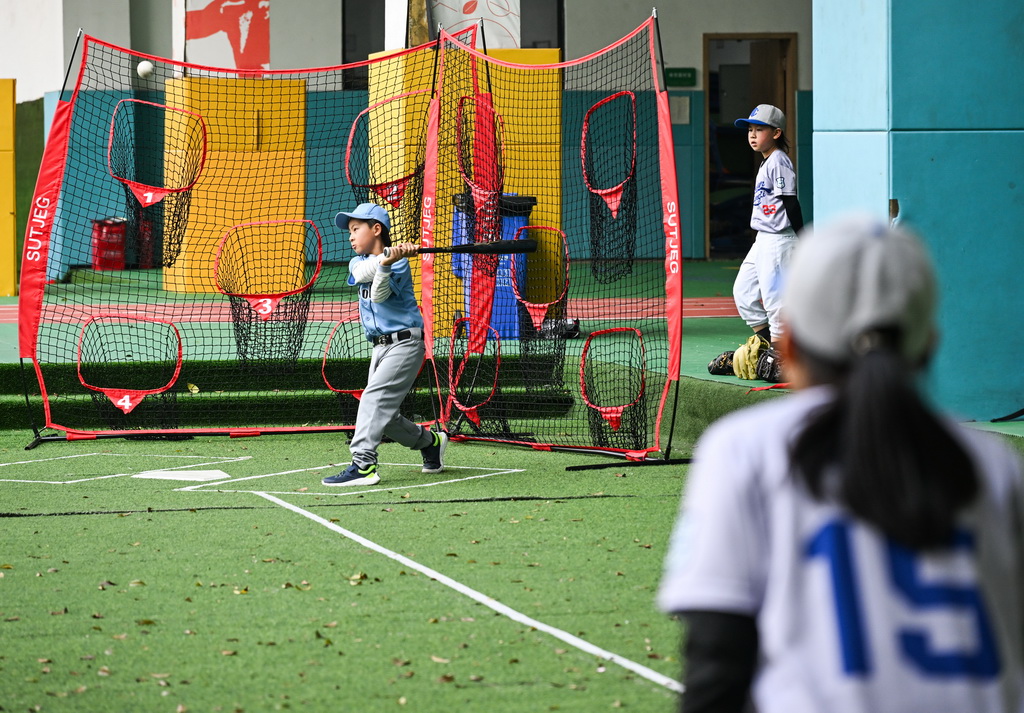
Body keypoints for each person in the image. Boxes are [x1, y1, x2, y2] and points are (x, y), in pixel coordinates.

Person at [659, 214, 1024, 712]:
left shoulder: (745, 449)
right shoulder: (994, 465)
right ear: (929, 346)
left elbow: (716, 665)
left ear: (787, 347)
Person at [322, 203, 447, 487]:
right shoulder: (358, 262)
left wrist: (391, 262)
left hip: (405, 343)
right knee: (386, 417)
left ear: (376, 229)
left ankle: (363, 464)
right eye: (350, 231)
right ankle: (430, 442)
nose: (351, 236)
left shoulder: (399, 262)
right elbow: (367, 272)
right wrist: (384, 260)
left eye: (356, 230)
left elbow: (379, 296)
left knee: (372, 399)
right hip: (379, 347)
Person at [709, 104, 804, 380]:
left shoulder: (779, 161)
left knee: (775, 300)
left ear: (776, 133)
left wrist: (804, 237)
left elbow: (790, 202)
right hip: (763, 239)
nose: (752, 134)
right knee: (743, 293)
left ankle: (781, 357)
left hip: (779, 239)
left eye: (759, 129)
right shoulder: (766, 160)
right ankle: (766, 346)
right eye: (750, 129)